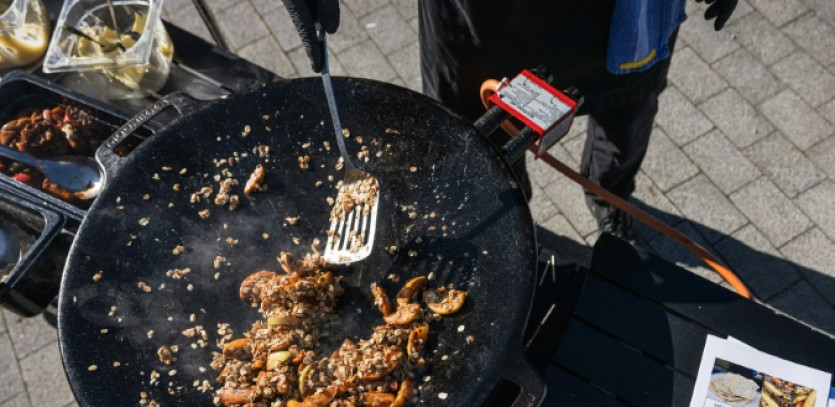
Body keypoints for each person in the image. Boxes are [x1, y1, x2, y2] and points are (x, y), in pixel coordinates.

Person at [281, 0, 738, 241]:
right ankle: (512, 231)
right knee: (481, 148)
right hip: (481, 22)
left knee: (626, 121)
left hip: (622, 17)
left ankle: (611, 200)